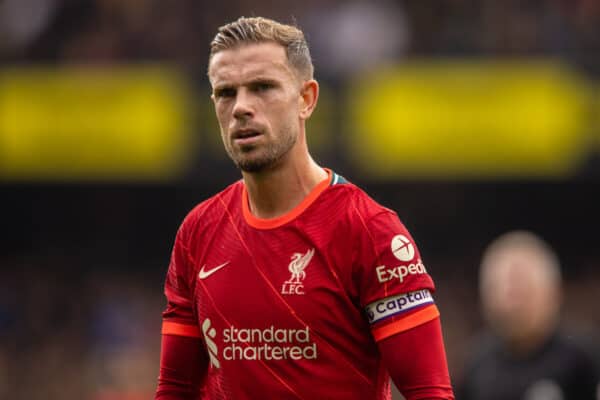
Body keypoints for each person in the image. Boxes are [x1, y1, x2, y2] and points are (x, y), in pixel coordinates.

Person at [155, 16, 454, 400]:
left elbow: (430, 392)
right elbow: (175, 389)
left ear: (306, 99)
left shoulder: (369, 230)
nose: (241, 107)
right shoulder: (198, 231)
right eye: (226, 93)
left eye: (263, 87)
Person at [460, 231, 600, 400]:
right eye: (501, 288)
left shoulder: (584, 358)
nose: (512, 302)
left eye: (522, 288)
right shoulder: (475, 365)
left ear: (554, 292)